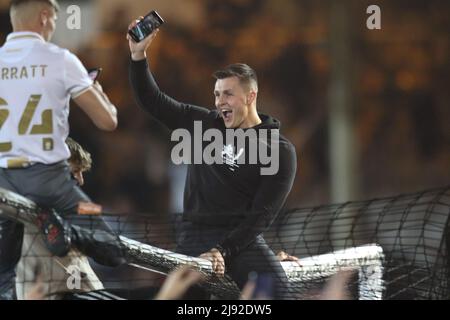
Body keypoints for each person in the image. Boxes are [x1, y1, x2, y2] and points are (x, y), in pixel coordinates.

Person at [127, 20, 297, 299]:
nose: (219, 101)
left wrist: (224, 250)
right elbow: (152, 100)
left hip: (241, 243)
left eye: (228, 94)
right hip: (194, 238)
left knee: (275, 293)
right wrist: (137, 56)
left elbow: (260, 217)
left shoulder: (280, 150)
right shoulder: (204, 123)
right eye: (217, 94)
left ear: (250, 96)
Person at [0, 0, 122, 300]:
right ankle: (64, 226)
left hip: (3, 181)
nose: (55, 27)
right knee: (112, 247)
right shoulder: (61, 59)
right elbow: (108, 121)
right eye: (55, 19)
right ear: (45, 17)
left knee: (4, 274)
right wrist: (96, 91)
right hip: (47, 181)